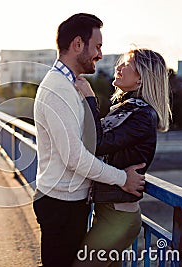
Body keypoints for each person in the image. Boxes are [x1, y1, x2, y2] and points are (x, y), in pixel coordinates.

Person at [32, 13, 146, 267]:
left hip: (68, 202)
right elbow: (75, 157)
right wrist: (122, 179)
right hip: (61, 205)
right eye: (97, 46)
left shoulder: (68, 85)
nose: (101, 55)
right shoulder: (58, 90)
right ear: (77, 44)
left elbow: (89, 139)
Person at [73, 48, 172, 266]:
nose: (118, 67)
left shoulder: (142, 116)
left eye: (127, 64)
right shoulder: (127, 109)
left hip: (119, 217)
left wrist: (89, 99)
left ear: (141, 78)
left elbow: (96, 144)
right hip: (108, 209)